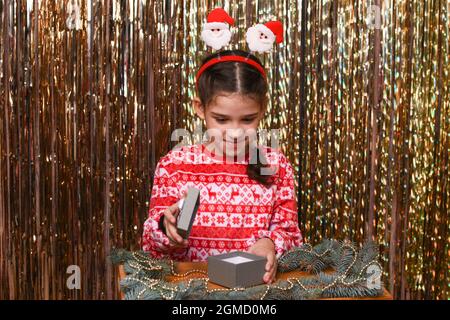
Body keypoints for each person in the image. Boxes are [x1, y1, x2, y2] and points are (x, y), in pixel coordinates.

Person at [141, 49, 303, 284]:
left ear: (263, 108)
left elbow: (290, 235)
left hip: (255, 293)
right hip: (191, 292)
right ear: (200, 108)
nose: (235, 132)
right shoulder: (174, 165)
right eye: (222, 119)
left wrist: (270, 243)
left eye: (248, 119)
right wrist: (167, 230)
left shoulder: (275, 164)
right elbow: (149, 244)